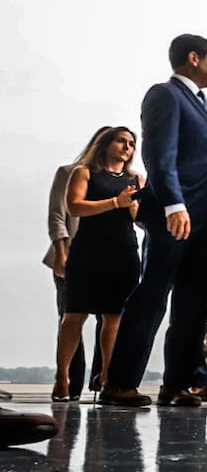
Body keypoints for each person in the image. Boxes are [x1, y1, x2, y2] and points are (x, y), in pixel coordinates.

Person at [101, 34, 207, 407]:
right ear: (193, 58)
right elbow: (159, 154)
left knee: (192, 304)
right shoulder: (164, 95)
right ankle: (120, 383)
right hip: (173, 218)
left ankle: (176, 385)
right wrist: (174, 205)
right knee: (152, 295)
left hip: (206, 221)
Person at [53, 127, 145, 401]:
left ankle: (108, 377)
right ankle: (62, 376)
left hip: (124, 251)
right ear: (105, 144)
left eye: (131, 143)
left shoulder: (136, 179)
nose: (127, 147)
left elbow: (139, 219)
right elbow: (75, 207)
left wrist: (135, 209)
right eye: (121, 140)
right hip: (88, 251)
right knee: (74, 316)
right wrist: (115, 202)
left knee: (115, 317)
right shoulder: (84, 173)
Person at [44, 126, 113, 399]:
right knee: (71, 318)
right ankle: (69, 383)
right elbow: (57, 215)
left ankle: (101, 382)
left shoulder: (120, 179)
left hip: (109, 257)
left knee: (107, 320)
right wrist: (61, 253)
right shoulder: (68, 172)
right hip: (72, 255)